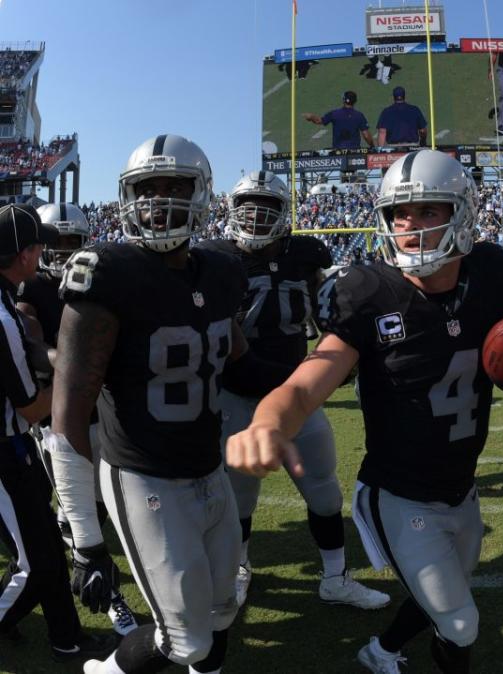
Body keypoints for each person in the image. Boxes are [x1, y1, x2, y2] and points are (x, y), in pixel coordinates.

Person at [227, 149, 503, 673]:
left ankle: (381, 652)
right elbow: (307, 385)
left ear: (461, 212)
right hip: (397, 495)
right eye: (400, 214)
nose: (409, 226)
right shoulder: (371, 292)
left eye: (427, 211)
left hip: (461, 489)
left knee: (438, 601)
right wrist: (267, 421)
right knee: (461, 623)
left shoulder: (493, 274)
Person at [50, 134, 291, 674]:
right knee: (184, 640)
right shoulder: (106, 273)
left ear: (202, 194)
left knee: (224, 609)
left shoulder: (221, 270)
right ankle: (105, 672)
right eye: (147, 188)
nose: (159, 201)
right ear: (126, 195)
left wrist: (311, 377)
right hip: (143, 476)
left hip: (208, 468)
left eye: (175, 187)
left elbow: (240, 362)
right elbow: (67, 418)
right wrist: (87, 542)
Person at [197, 170, 389, 610]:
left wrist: (336, 355)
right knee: (240, 499)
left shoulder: (305, 254)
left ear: (285, 215)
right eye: (248, 208)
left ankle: (336, 577)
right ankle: (241, 569)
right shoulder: (215, 258)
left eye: (268, 209)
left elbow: (326, 312)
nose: (257, 218)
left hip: (296, 394)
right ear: (231, 210)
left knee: (324, 490)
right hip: (239, 394)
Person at [15, 202, 139, 637]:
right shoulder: (32, 291)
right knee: (75, 509)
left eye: (73, 243)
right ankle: (107, 594)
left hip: (100, 414)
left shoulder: (97, 284)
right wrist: (77, 364)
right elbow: (33, 346)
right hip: (56, 416)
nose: (65, 253)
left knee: (102, 500)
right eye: (58, 243)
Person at [0, 203, 115, 663]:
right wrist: (81, 378)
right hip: (4, 451)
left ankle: (67, 637)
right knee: (34, 564)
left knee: (46, 547)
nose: (46, 251)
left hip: (14, 448)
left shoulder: (9, 303)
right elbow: (30, 407)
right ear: (25, 254)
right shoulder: (5, 317)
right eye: (40, 243)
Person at [304, 91, 375, 150]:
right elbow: (366, 135)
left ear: (343, 100)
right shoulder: (359, 115)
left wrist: (311, 117)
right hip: (354, 152)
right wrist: (372, 145)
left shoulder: (334, 114)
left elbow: (319, 121)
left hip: (338, 152)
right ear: (355, 101)